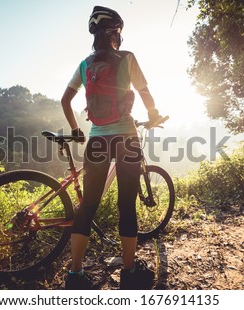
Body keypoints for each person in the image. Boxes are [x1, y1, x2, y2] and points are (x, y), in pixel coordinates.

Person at [60, 6, 162, 290]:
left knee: (88, 204)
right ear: (117, 32)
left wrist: (76, 129)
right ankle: (129, 273)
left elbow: (65, 101)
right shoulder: (127, 58)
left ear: (94, 35)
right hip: (126, 138)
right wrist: (153, 114)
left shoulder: (84, 64)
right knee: (126, 204)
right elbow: (143, 92)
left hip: (96, 139)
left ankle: (75, 275)